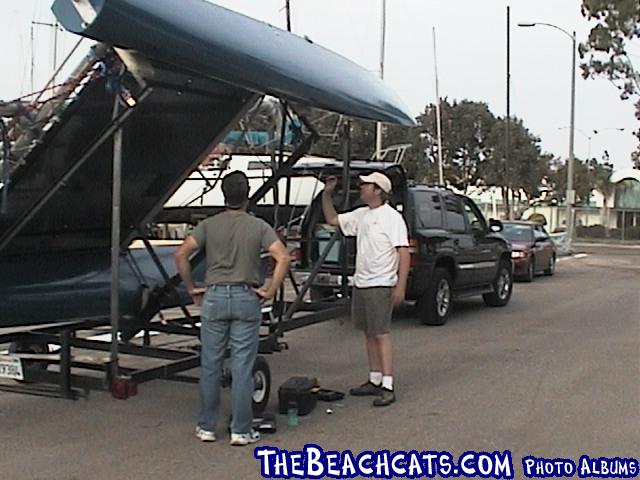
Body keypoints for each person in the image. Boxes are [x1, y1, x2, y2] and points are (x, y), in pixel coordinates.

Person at [174, 171, 290, 445]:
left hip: (214, 296)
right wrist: (269, 291)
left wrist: (192, 287)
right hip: (245, 296)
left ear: (223, 194)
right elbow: (283, 257)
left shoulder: (207, 225)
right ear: (247, 194)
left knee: (210, 365)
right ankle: (240, 430)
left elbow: (180, 254)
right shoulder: (259, 226)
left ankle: (206, 426)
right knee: (242, 366)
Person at [321, 171, 409, 407]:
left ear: (378, 190)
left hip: (380, 283)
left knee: (381, 332)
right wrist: (327, 194)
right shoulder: (362, 215)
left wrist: (401, 285)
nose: (361, 188)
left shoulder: (392, 218)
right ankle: (374, 378)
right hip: (361, 282)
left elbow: (403, 251)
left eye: (366, 185)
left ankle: (388, 385)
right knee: (369, 332)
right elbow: (333, 220)